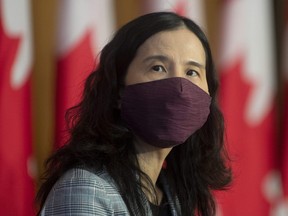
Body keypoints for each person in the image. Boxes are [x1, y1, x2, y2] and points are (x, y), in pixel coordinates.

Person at [36, 12, 232, 216]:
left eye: (192, 72)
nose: (180, 87)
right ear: (118, 90)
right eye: (158, 68)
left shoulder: (172, 191)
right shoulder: (84, 190)